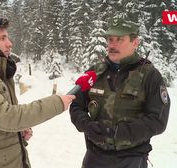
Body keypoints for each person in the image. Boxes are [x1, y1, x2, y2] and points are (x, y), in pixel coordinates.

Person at [0, 15, 75, 168]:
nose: (10, 44)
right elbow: (6, 116)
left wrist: (17, 132)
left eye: (8, 37)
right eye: (2, 38)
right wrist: (56, 103)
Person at [69, 15, 170, 168]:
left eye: (120, 39)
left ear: (135, 42)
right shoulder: (95, 72)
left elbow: (157, 120)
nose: (113, 45)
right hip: (95, 156)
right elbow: (76, 104)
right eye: (110, 39)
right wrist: (87, 125)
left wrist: (117, 133)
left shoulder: (150, 75)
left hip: (131, 159)